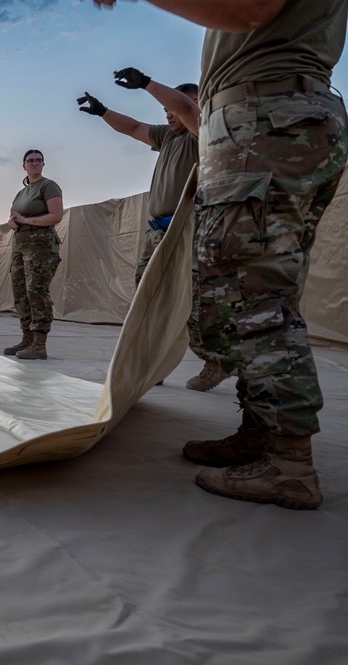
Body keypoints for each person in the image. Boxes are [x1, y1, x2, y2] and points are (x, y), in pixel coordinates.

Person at [96, 0, 348, 510]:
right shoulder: (168, 134)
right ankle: (261, 436)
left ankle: (288, 463)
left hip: (265, 118)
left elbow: (249, 8)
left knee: (253, 297)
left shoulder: (193, 115)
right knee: (252, 293)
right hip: (272, 115)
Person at [78, 79, 229, 392]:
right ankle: (151, 365)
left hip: (189, 229)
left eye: (174, 108)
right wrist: (104, 111)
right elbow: (133, 128)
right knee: (146, 296)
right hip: (157, 231)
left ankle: (216, 361)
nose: (168, 114)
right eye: (165, 109)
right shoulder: (168, 136)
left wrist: (147, 83)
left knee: (193, 299)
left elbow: (190, 113)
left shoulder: (205, 134)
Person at [5, 150, 63, 360]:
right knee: (20, 292)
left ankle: (40, 343)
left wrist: (26, 220)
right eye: (30, 161)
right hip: (20, 245)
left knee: (36, 291)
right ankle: (27, 338)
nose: (34, 163)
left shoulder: (48, 186)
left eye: (38, 160)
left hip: (41, 246)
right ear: (24, 166)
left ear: (43, 164)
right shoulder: (22, 192)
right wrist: (13, 222)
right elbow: (15, 216)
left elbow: (56, 216)